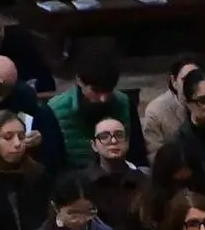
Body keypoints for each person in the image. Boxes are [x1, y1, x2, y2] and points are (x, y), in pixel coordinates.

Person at [41, 37, 139, 167]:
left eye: (108, 90)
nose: (103, 98)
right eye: (96, 91)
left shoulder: (124, 104)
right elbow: (54, 166)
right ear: (80, 81)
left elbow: (138, 156)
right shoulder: (54, 112)